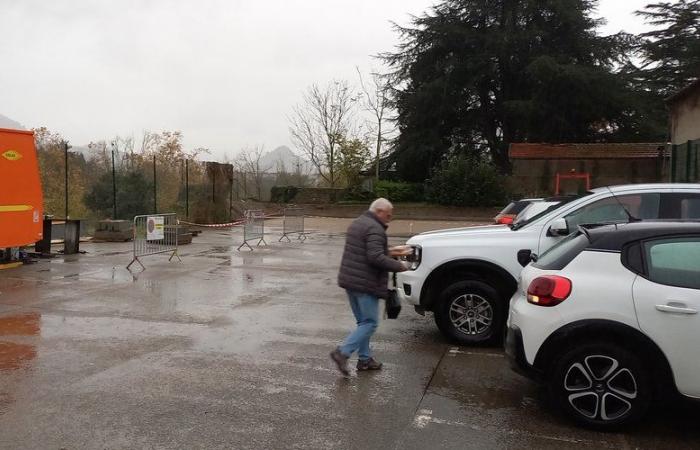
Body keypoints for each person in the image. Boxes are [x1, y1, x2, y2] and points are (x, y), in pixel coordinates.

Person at [330, 198, 410, 376]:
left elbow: (366, 249)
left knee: (362, 323)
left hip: (351, 281)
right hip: (365, 283)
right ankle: (342, 353)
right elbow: (375, 257)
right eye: (388, 216)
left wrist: (393, 251)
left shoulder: (358, 223)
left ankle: (365, 360)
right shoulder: (375, 228)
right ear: (379, 211)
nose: (389, 219)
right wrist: (401, 266)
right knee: (370, 323)